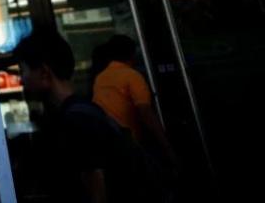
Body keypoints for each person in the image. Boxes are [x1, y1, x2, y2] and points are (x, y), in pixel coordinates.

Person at [13, 29, 163, 203]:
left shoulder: (76, 121)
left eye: (23, 70)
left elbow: (96, 190)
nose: (21, 80)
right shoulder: (86, 111)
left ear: (44, 73)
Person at [91, 34, 176, 165]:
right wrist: (167, 146)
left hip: (107, 143)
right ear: (133, 54)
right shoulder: (132, 76)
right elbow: (145, 112)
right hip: (130, 144)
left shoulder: (100, 78)